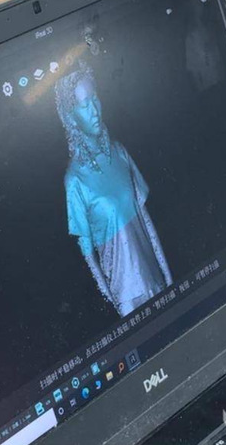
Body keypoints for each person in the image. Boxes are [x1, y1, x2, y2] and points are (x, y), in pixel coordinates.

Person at [55, 63, 173, 317]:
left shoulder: (119, 153)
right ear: (70, 116)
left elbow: (147, 222)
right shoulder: (75, 180)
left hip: (155, 283)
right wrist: (116, 310)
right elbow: (88, 256)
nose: (94, 110)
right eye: (84, 105)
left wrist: (168, 279)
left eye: (94, 99)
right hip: (127, 301)